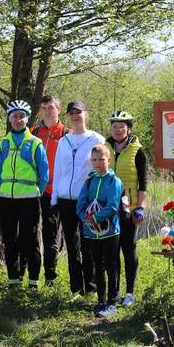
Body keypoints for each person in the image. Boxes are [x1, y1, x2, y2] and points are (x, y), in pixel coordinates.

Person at [52, 101, 106, 296]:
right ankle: (76, 288)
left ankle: (90, 287)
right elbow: (58, 170)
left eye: (79, 112)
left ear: (86, 114)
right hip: (66, 198)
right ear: (68, 116)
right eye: (72, 113)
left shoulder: (96, 139)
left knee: (88, 242)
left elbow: (102, 168)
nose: (75, 116)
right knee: (71, 244)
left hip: (87, 199)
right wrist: (54, 198)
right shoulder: (63, 141)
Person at [0, 101, 49, 287]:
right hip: (6, 199)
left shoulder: (35, 143)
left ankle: (33, 281)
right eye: (15, 116)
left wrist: (36, 192)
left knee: (30, 240)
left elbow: (44, 174)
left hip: (29, 199)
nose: (18, 120)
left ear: (27, 118)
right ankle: (13, 280)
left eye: (22, 116)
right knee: (10, 241)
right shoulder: (2, 144)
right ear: (10, 119)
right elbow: (0, 173)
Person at [76, 145, 124, 317]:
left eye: (101, 159)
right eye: (94, 160)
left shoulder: (114, 181)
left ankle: (112, 302)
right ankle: (101, 301)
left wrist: (96, 217)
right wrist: (85, 217)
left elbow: (112, 206)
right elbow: (80, 204)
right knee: (98, 265)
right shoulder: (89, 181)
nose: (98, 163)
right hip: (91, 232)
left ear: (109, 160)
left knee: (111, 265)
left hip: (110, 231)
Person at [106, 110, 147, 307]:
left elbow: (143, 182)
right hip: (108, 209)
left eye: (121, 126)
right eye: (114, 126)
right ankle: (113, 292)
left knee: (128, 249)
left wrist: (140, 207)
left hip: (128, 209)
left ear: (128, 128)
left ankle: (130, 292)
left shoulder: (137, 150)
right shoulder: (105, 148)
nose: (117, 130)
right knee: (111, 252)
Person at [32, 95, 70, 287]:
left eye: (51, 107)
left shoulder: (66, 133)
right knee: (31, 234)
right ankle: (32, 277)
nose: (48, 110)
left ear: (59, 109)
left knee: (51, 235)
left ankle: (50, 278)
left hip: (56, 193)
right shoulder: (33, 132)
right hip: (34, 191)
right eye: (44, 107)